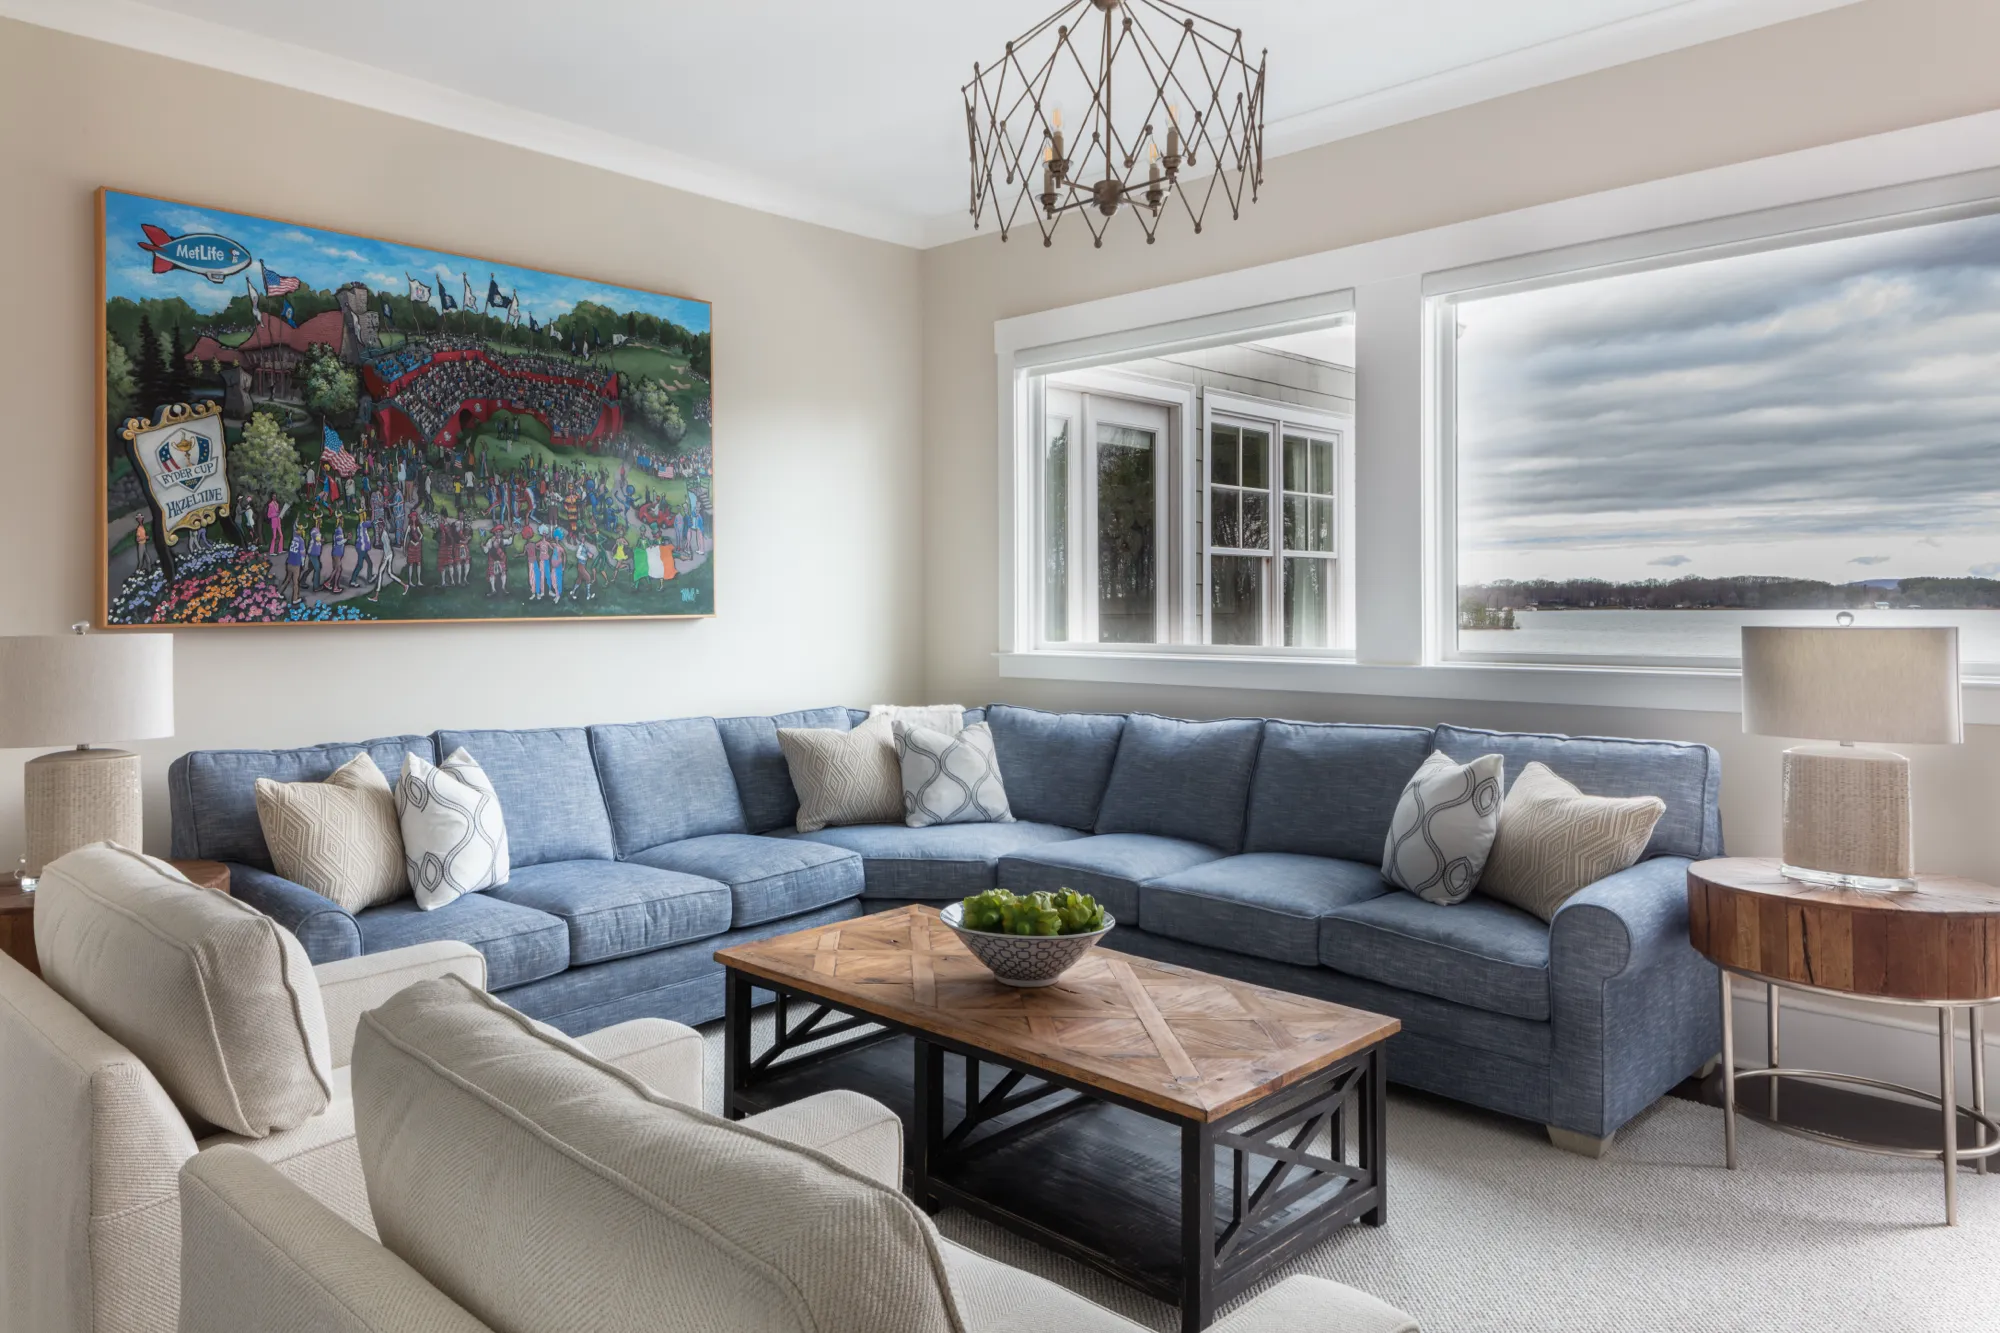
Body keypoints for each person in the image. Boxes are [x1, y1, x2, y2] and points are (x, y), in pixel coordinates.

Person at [283, 527, 305, 602]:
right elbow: (302, 553)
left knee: (287, 579)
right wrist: (303, 563)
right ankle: (295, 599)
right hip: (296, 563)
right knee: (296, 582)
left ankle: (279, 592)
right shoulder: (301, 541)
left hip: (289, 562)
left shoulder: (294, 539)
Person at [485, 528, 509, 596]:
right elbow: (486, 550)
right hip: (492, 559)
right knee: (492, 574)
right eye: (497, 532)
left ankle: (503, 587)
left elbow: (509, 541)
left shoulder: (502, 540)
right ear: (494, 533)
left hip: (501, 559)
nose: (498, 533)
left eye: (499, 532)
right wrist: (485, 546)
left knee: (503, 572)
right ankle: (493, 589)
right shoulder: (490, 540)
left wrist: (513, 534)